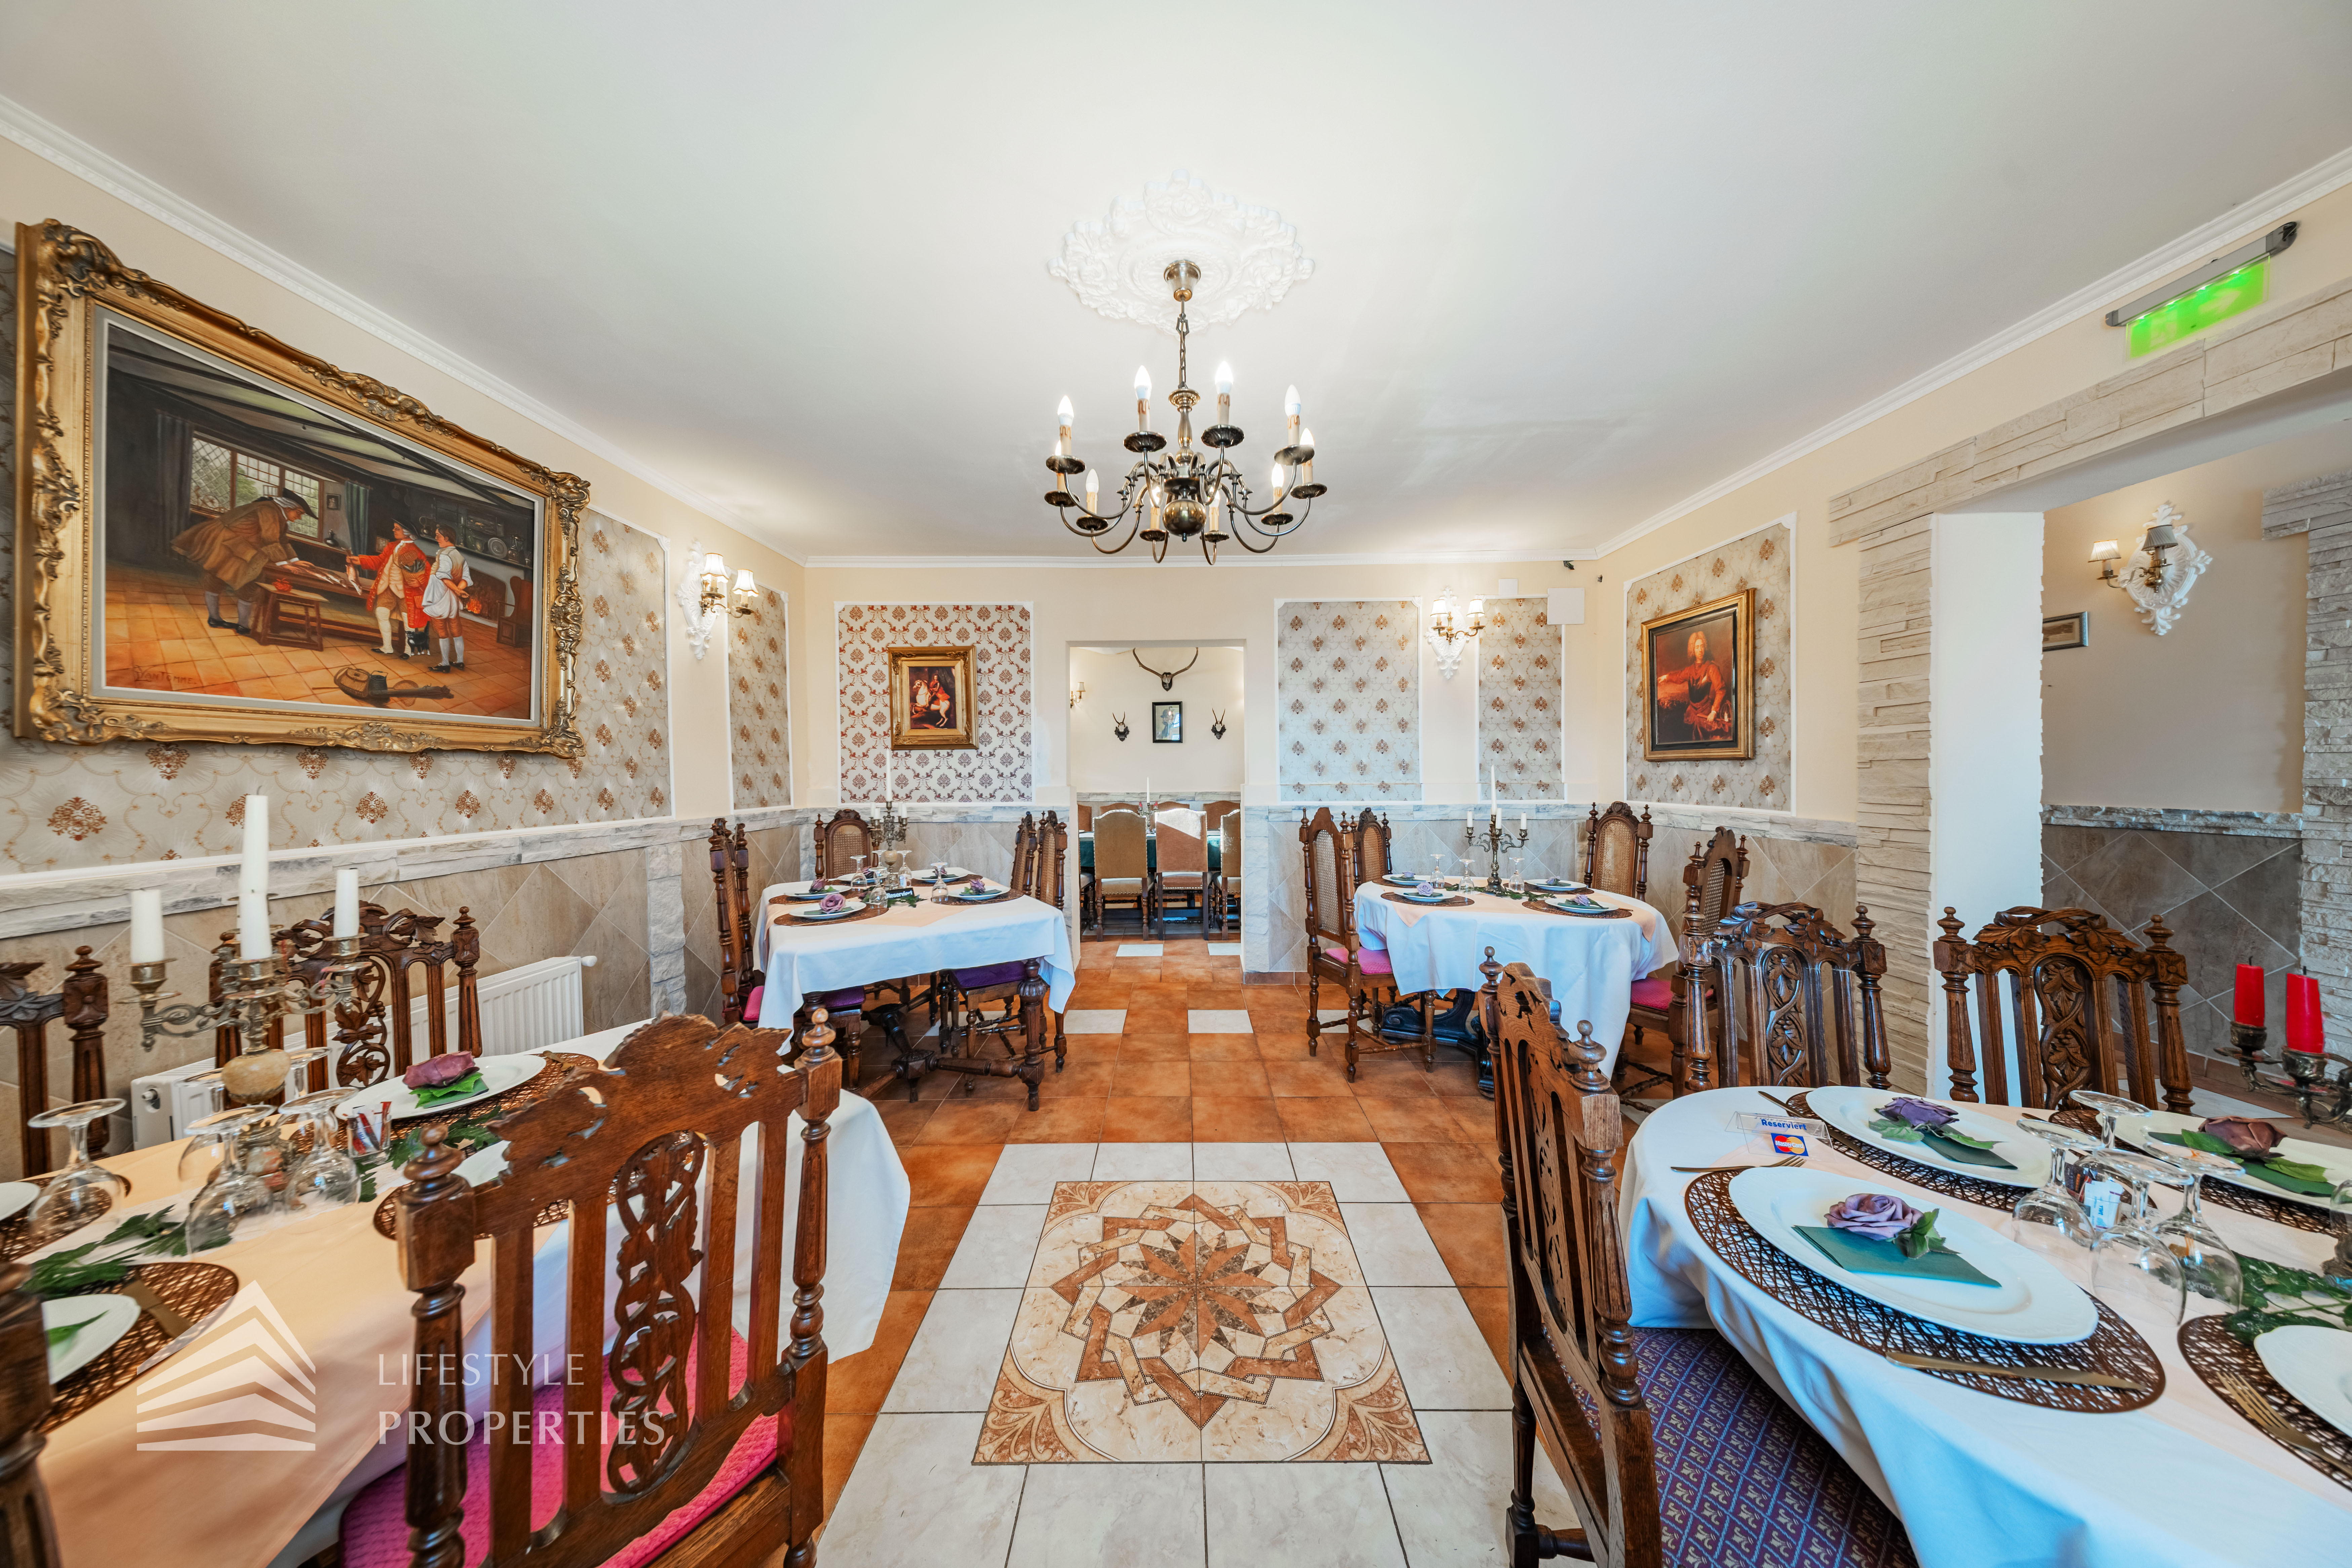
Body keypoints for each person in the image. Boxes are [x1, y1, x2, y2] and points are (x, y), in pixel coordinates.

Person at [170, 488, 311, 636]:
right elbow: (270, 538)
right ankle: (225, 621)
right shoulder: (269, 511)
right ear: (288, 508)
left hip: (238, 544)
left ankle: (235, 623)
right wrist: (283, 564)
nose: (299, 518)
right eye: (299, 513)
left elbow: (282, 540)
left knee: (237, 581)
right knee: (234, 579)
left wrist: (295, 561)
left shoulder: (280, 517)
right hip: (227, 541)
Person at [344, 521, 432, 659]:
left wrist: (419, 582)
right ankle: (387, 647)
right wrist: (360, 560)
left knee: (408, 622)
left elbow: (428, 573)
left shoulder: (418, 553)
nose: (394, 530)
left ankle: (408, 651)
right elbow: (380, 561)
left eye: (397, 529)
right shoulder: (392, 546)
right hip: (387, 588)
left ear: (407, 533)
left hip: (407, 593)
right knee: (381, 614)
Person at [1654, 627, 1734, 743]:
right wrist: (1666, 677)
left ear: (1705, 648)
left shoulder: (1712, 668)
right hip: (1691, 712)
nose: (1700, 650)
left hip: (1706, 712)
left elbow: (1721, 690)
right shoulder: (1690, 670)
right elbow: (1679, 677)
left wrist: (1714, 711)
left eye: (1702, 646)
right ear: (1693, 650)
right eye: (1697, 647)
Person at [420, 523, 473, 673]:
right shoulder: (460, 557)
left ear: (447, 538)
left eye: (438, 536)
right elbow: (466, 579)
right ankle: (460, 662)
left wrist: (456, 590)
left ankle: (445, 664)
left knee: (442, 630)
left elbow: (443, 577)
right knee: (456, 629)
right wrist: (459, 591)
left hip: (440, 596)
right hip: (452, 597)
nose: (436, 538)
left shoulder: (444, 555)